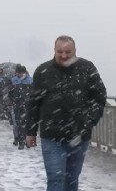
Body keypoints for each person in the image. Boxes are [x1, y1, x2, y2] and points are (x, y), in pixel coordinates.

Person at [25, 35, 107, 191]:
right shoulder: (43, 71)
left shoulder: (87, 68)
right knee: (55, 179)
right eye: (60, 52)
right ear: (54, 51)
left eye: (67, 52)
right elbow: (33, 103)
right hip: (51, 136)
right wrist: (30, 131)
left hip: (79, 136)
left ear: (75, 51)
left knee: (71, 180)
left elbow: (99, 98)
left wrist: (88, 122)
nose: (63, 56)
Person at [9, 65, 33, 149]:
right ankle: (21, 141)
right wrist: (12, 101)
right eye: (17, 73)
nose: (18, 75)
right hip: (17, 104)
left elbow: (33, 93)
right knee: (18, 123)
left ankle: (25, 141)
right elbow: (10, 93)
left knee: (25, 123)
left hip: (26, 105)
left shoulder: (30, 81)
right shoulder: (13, 80)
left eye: (20, 73)